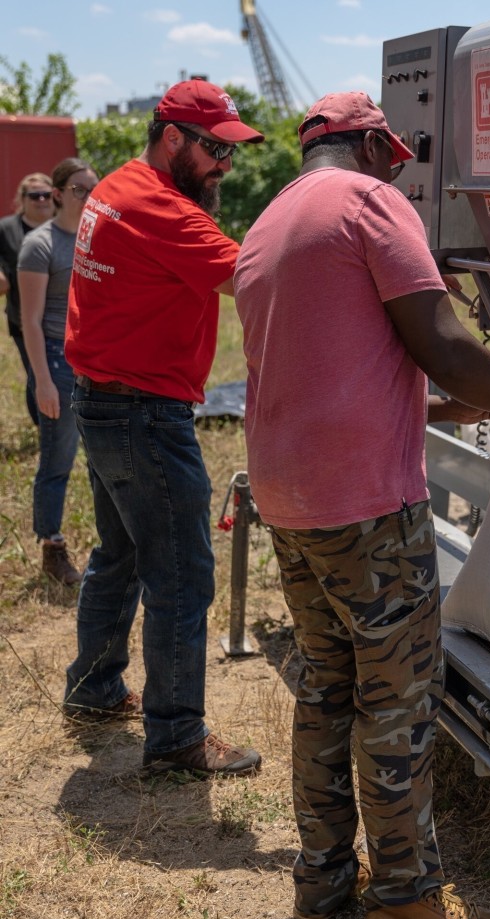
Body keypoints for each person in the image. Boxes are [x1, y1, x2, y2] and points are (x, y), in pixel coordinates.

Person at [234, 92, 490, 919]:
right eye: (396, 160)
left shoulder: (270, 224)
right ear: (373, 147)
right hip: (368, 511)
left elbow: (343, 371)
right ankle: (405, 901)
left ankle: (321, 882)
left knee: (326, 688)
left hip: (292, 499)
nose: (401, 177)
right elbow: (444, 345)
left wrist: (464, 404)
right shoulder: (369, 204)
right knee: (396, 705)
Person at [62, 80, 264, 778]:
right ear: (173, 137)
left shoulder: (117, 185)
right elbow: (254, 278)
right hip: (144, 411)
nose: (225, 167)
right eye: (215, 151)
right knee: (180, 573)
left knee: (119, 554)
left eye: (231, 153)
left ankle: (94, 687)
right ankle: (177, 736)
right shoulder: (160, 207)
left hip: (105, 400)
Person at [18, 159, 98, 584]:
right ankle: (52, 547)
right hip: (56, 357)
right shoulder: (40, 244)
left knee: (102, 459)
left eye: (94, 189)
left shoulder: (97, 239)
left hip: (93, 356)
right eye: (80, 189)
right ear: (59, 194)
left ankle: (113, 547)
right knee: (58, 458)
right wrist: (43, 382)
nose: (89, 197)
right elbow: (30, 321)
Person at [0, 173, 55, 425]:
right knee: (37, 374)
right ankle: (44, 427)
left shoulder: (65, 226)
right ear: (22, 199)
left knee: (61, 376)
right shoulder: (6, 229)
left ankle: (61, 428)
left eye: (46, 195)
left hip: (60, 319)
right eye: (34, 196)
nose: (41, 200)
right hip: (23, 319)